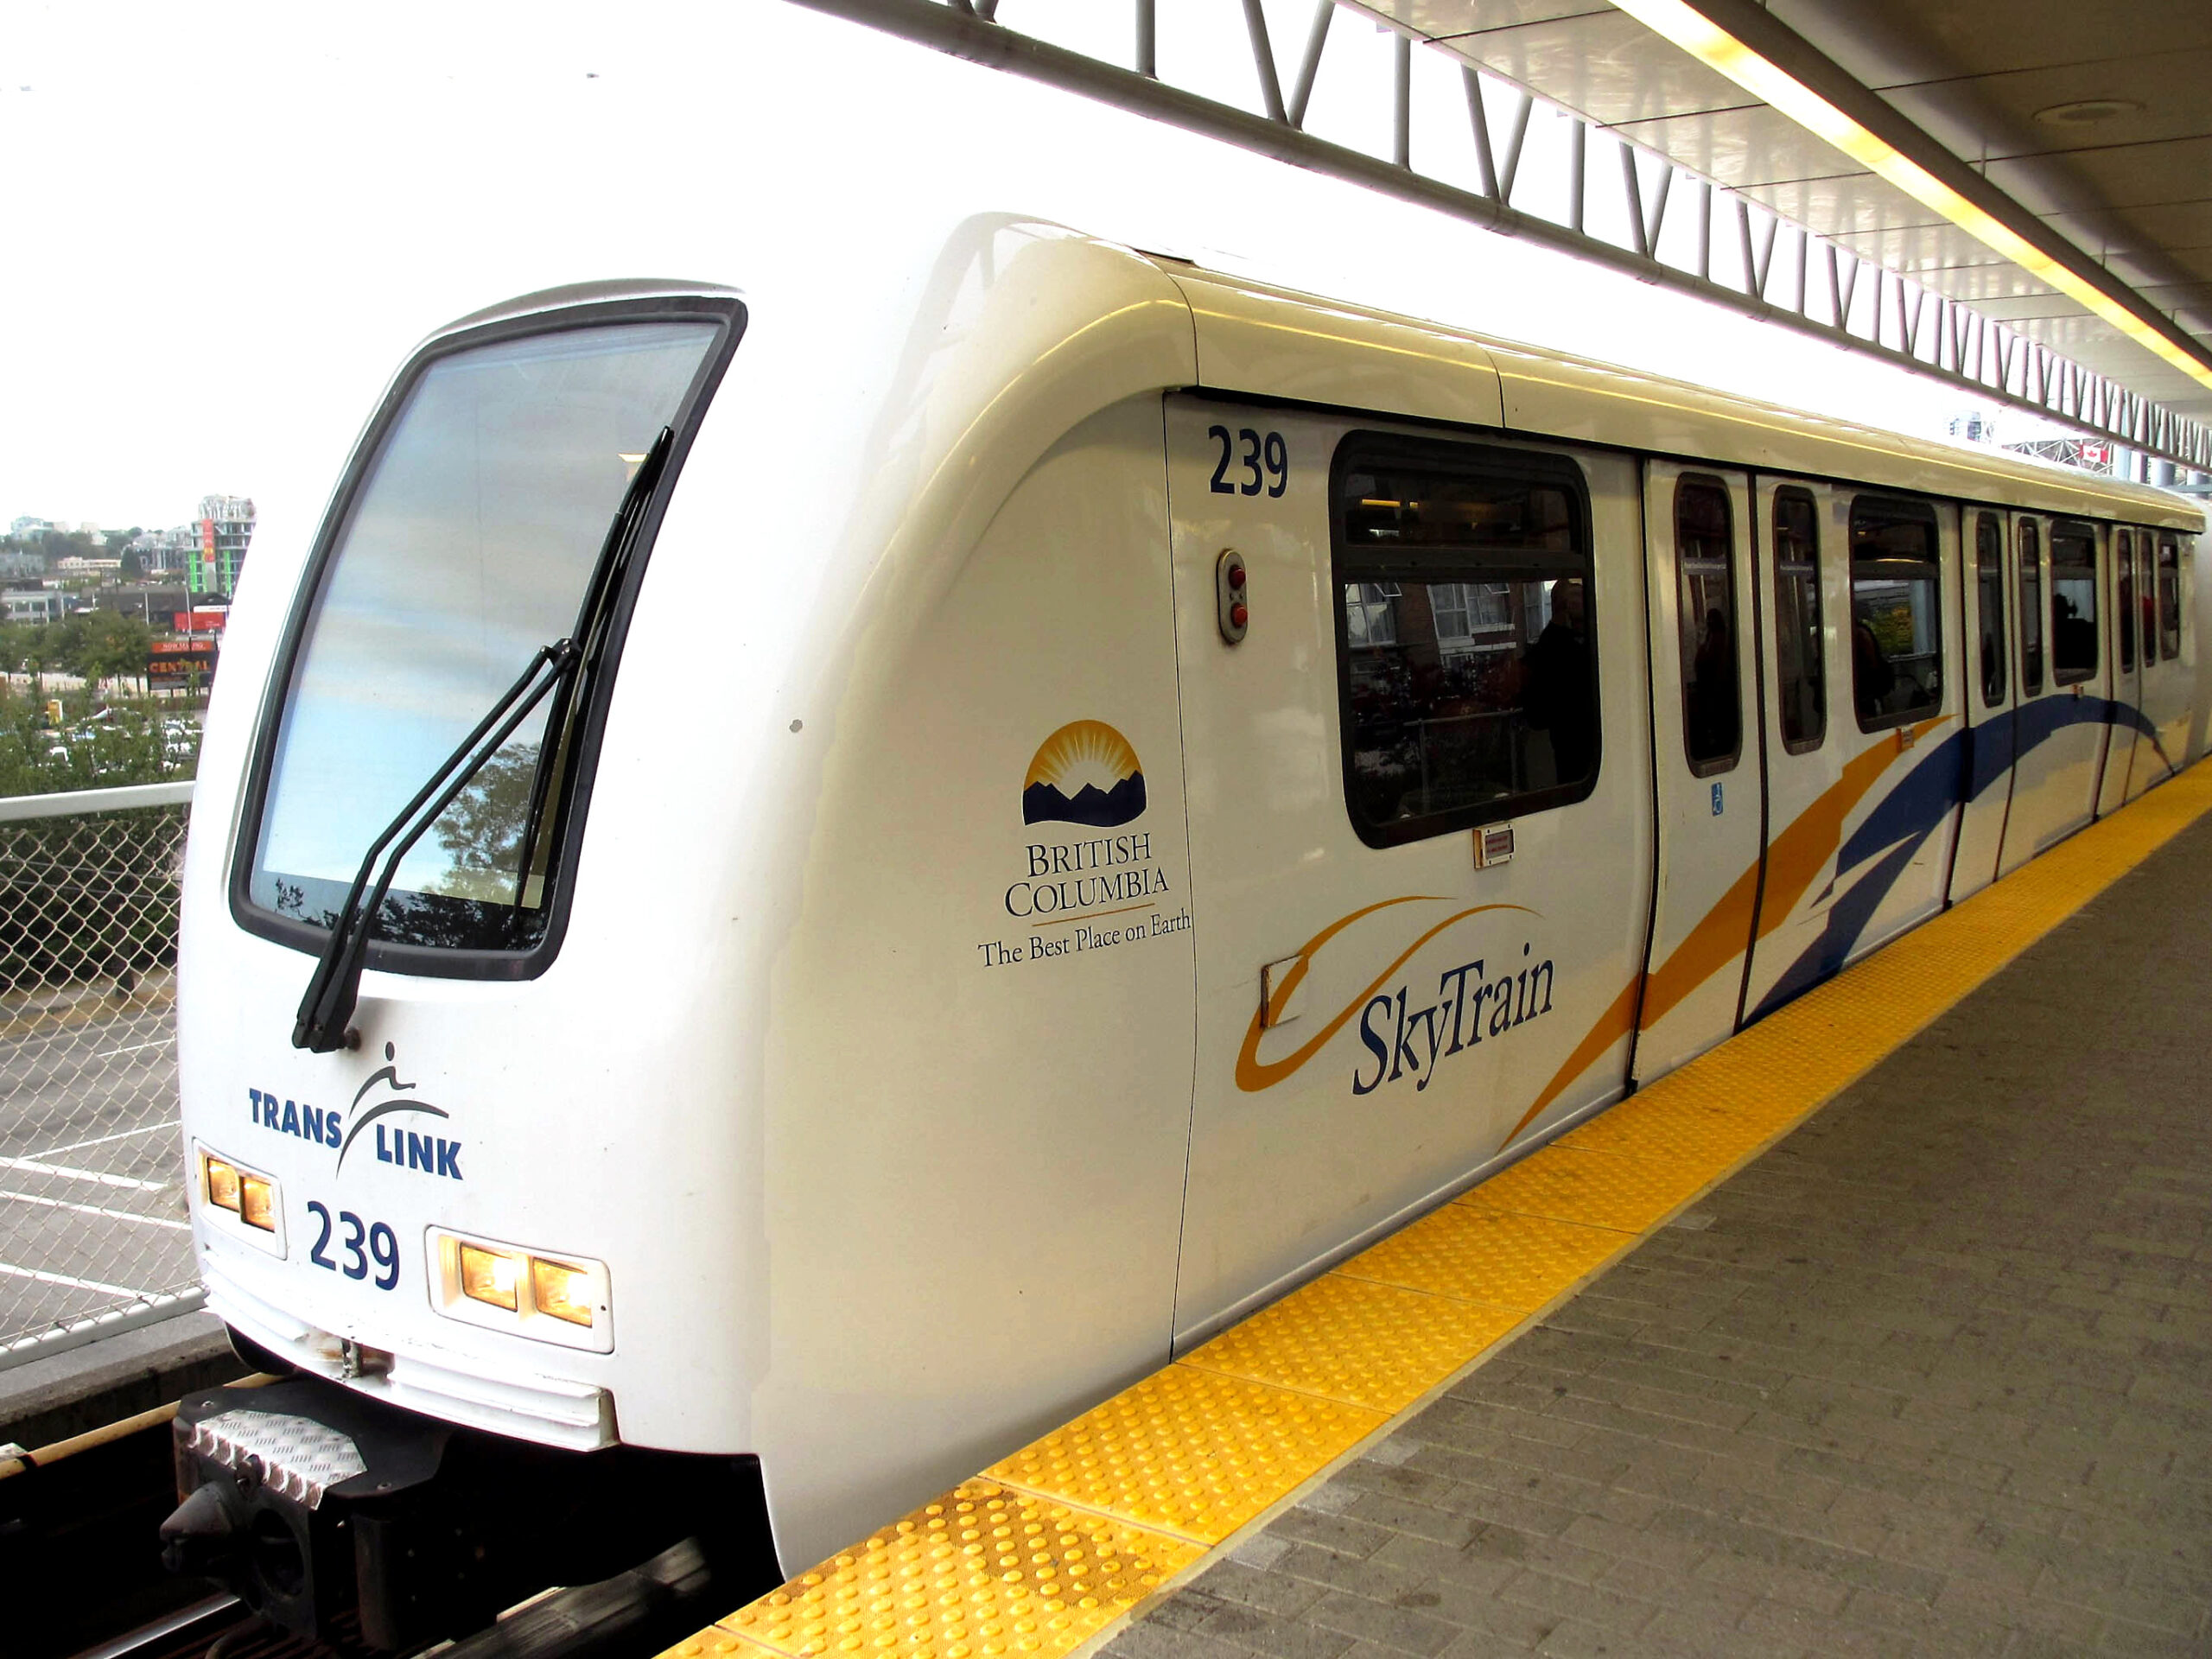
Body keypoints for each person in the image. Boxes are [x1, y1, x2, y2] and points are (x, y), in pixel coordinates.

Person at [1521, 577, 1595, 785]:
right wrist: (1559, 619)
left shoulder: (1596, 642)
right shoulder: (1556, 647)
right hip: (1571, 745)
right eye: (1573, 598)